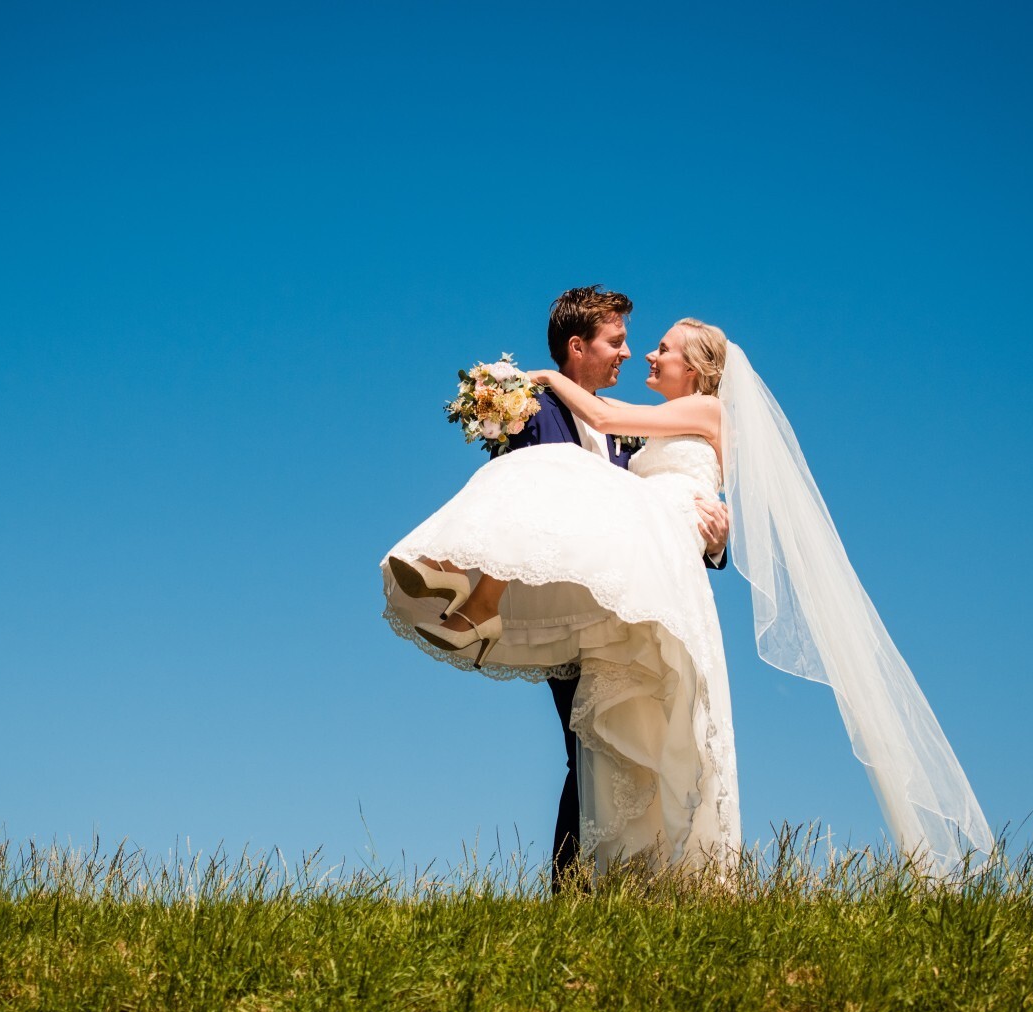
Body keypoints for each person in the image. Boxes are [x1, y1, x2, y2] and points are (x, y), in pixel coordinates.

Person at [382, 300, 994, 884]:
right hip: (614, 581)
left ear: (696, 370)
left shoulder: (700, 412)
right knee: (608, 739)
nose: (644, 355)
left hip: (658, 582)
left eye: (662, 348)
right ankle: (600, 885)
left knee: (652, 732)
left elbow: (611, 425)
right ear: (579, 345)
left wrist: (545, 376)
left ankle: (662, 874)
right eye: (627, 343)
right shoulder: (630, 427)